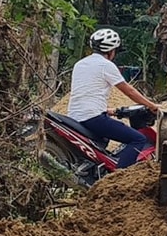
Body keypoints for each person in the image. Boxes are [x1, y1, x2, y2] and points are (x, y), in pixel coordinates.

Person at [68, 28, 161, 168]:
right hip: (93, 118)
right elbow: (129, 91)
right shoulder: (106, 65)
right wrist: (151, 106)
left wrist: (109, 111)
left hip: (75, 116)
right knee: (138, 139)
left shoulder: (80, 64)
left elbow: (87, 93)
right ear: (111, 51)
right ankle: (117, 177)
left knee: (104, 138)